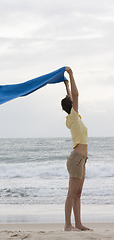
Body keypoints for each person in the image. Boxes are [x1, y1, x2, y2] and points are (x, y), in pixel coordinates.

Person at [61, 66, 91, 231]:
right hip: (76, 159)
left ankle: (78, 224)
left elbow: (71, 97)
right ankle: (67, 225)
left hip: (81, 159)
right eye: (71, 99)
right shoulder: (73, 115)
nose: (73, 99)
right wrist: (71, 74)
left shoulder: (73, 117)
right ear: (71, 106)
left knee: (78, 194)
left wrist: (66, 86)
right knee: (71, 194)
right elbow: (76, 95)